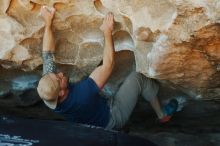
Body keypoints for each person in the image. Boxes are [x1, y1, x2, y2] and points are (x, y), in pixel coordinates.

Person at [37, 6, 178, 130]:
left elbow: (47, 54)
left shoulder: (49, 93)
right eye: (59, 78)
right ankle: (162, 115)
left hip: (91, 121)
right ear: (61, 93)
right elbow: (108, 65)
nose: (60, 74)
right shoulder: (81, 95)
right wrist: (107, 32)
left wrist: (48, 23)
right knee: (138, 78)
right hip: (112, 118)